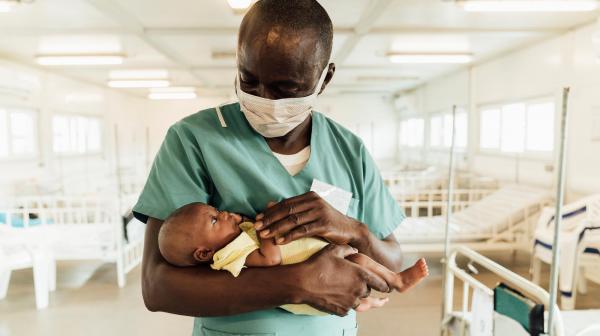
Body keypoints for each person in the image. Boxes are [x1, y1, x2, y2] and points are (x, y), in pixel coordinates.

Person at [133, 1, 408, 335]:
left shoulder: (349, 150)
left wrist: (353, 230)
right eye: (249, 81)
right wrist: (299, 283)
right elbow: (158, 286)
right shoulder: (194, 140)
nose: (264, 99)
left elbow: (392, 263)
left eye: (285, 88)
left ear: (324, 78)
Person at [157, 203, 429, 315]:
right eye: (216, 219)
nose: (225, 214)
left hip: (322, 258)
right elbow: (270, 258)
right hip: (311, 282)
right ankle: (394, 282)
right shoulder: (230, 255)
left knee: (356, 260)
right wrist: (265, 228)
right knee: (355, 264)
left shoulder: (235, 238)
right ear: (204, 253)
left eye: (217, 210)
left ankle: (386, 285)